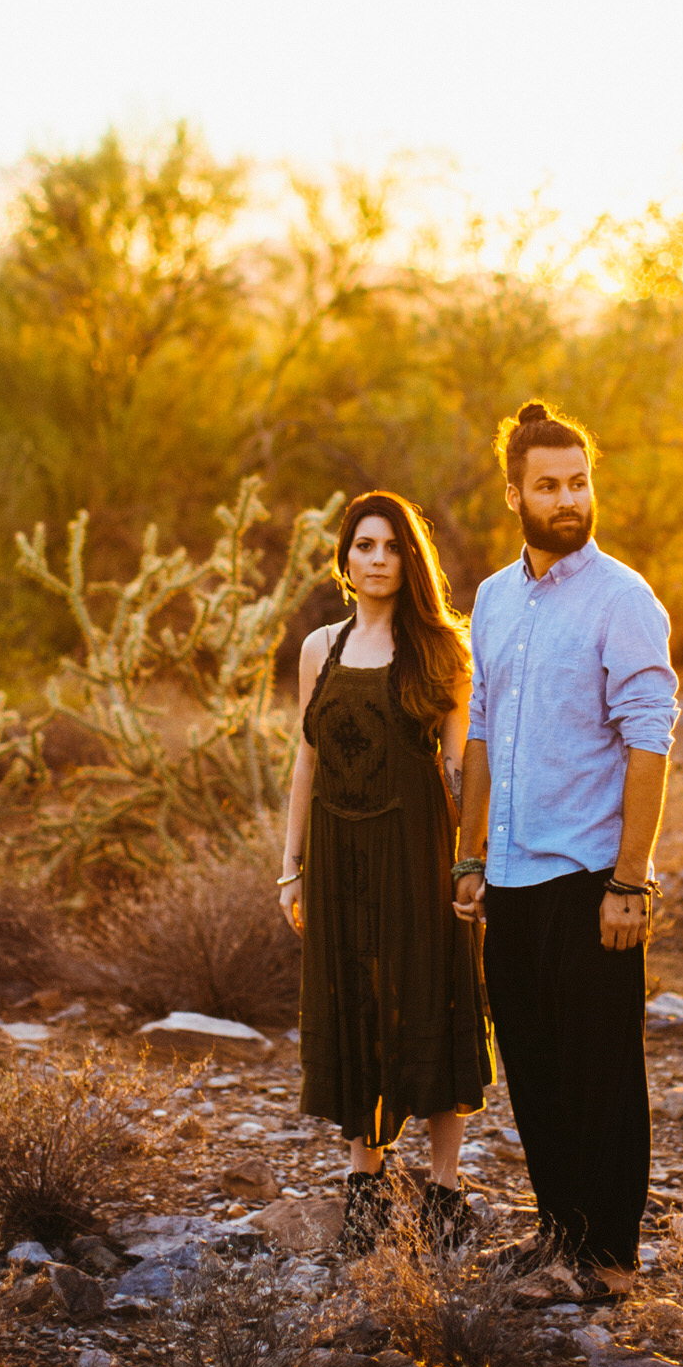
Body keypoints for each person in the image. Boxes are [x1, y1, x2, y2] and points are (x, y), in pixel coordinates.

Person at [453, 400, 678, 1300]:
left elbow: (650, 742)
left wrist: (632, 880)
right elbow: (480, 736)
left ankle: (613, 1262)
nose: (568, 499)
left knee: (602, 1070)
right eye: (548, 486)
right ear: (514, 494)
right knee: (534, 1065)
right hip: (508, 876)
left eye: (578, 482)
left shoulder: (623, 599)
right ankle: (561, 1234)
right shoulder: (495, 599)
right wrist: (471, 858)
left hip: (590, 876)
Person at [279, 490, 493, 1255]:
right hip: (338, 858)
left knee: (430, 995)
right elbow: (306, 759)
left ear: (412, 559)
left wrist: (471, 863)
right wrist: (290, 866)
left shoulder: (443, 650)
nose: (377, 560)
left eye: (392, 547)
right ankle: (365, 1188)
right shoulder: (320, 650)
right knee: (355, 996)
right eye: (364, 546)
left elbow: (465, 766)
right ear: (345, 557)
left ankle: (444, 1189)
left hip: (417, 852)